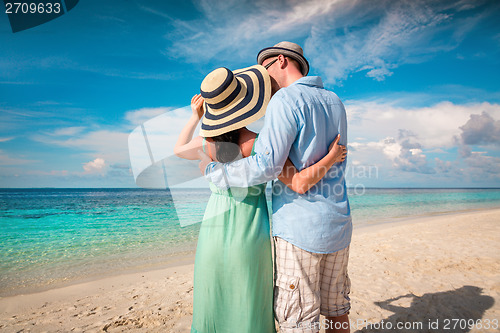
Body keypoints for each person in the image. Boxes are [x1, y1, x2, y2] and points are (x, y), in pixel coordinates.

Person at [174, 65, 347, 333]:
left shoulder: (206, 144)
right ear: (244, 103)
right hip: (250, 231)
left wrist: (194, 117)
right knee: (249, 299)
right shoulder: (260, 143)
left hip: (212, 232)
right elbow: (297, 181)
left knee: (214, 297)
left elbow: (178, 150)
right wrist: (332, 156)